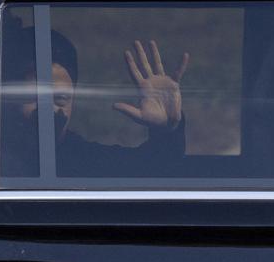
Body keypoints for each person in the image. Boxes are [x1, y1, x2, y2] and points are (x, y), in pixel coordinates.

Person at [48, 31, 190, 177]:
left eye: (61, 98)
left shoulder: (81, 160)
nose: (48, 109)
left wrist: (165, 132)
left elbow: (153, 167)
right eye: (32, 96)